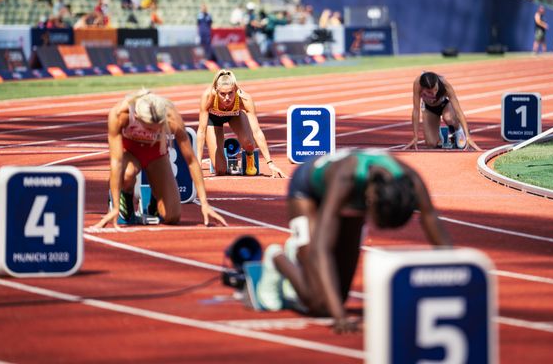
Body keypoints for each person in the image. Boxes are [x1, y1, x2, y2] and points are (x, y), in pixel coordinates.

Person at [255, 149, 452, 333]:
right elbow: (322, 250)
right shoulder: (346, 179)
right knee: (320, 305)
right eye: (376, 217)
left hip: (350, 201)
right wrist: (339, 316)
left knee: (338, 296)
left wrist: (457, 277)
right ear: (372, 199)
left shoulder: (410, 179)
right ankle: (278, 258)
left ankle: (302, 262)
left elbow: (430, 217)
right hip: (307, 190)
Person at [94, 89, 228, 229]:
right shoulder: (120, 114)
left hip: (156, 153)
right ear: (137, 116)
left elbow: (191, 160)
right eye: (149, 128)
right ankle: (125, 199)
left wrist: (205, 204)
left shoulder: (171, 118)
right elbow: (116, 161)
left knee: (172, 217)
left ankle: (154, 201)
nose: (151, 133)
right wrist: (115, 207)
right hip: (130, 151)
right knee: (127, 173)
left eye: (157, 129)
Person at [196, 70, 287, 178]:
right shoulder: (208, 97)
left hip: (235, 116)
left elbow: (257, 131)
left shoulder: (244, 98)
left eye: (230, 93)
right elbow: (201, 132)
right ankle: (224, 157)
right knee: (220, 170)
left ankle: (249, 156)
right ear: (216, 91)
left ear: (236, 89)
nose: (227, 98)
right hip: (214, 120)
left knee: (249, 143)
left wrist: (270, 163)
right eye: (222, 94)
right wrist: (198, 164)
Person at [404, 71, 481, 150]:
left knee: (448, 117)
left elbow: (458, 111)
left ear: (437, 83)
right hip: (429, 109)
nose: (434, 94)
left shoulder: (444, 84)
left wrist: (468, 136)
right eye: (429, 92)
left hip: (445, 105)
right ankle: (443, 137)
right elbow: (416, 111)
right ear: (423, 88)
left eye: (435, 89)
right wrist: (415, 137)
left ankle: (458, 130)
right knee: (431, 144)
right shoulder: (417, 84)